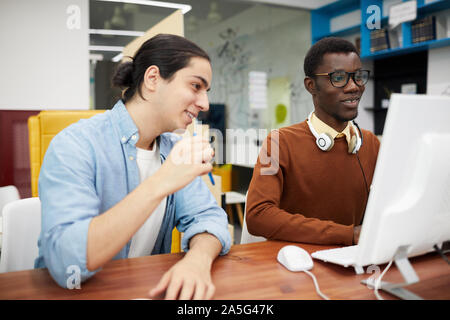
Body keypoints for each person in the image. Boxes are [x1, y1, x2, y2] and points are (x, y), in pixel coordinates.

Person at [35, 33, 231, 300]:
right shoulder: (75, 145)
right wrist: (160, 183)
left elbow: (209, 219)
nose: (205, 103)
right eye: (196, 86)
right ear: (153, 79)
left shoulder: (175, 149)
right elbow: (67, 263)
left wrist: (196, 261)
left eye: (206, 91)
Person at [246, 37, 380, 246]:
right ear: (311, 85)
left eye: (358, 77)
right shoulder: (279, 142)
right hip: (297, 265)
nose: (354, 87)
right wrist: (348, 235)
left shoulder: (369, 143)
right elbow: (258, 216)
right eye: (339, 78)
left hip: (352, 262)